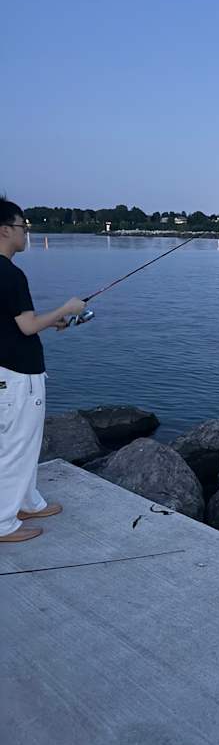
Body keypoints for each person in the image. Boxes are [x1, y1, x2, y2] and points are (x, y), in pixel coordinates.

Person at [0, 198, 85, 542]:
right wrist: (67, 307)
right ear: (5, 230)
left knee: (22, 441)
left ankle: (27, 501)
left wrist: (51, 322)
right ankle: (4, 522)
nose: (26, 233)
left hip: (7, 369)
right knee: (18, 444)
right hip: (19, 372)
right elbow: (26, 327)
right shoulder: (10, 274)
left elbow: (16, 323)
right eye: (23, 227)